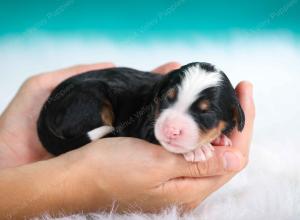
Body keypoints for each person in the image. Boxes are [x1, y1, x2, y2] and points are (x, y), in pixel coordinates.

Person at [0, 62, 255, 219]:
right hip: (80, 102)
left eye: (204, 113)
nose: (173, 126)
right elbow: (145, 134)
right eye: (169, 100)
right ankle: (81, 136)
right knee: (99, 103)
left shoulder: (228, 116)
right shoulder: (147, 113)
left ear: (233, 119)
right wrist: (78, 182)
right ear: (161, 91)